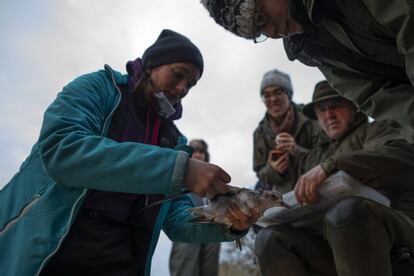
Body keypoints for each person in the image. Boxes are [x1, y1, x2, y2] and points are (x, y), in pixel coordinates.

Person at [0, 29, 260, 276]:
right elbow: (62, 150)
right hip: (52, 238)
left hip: (118, 252)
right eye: (178, 74)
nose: (182, 89)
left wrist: (226, 222)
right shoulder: (98, 87)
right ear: (151, 65)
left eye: (190, 85)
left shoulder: (174, 141)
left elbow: (176, 220)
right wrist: (175, 169)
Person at [253, 80, 414, 276]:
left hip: (398, 239)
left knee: (347, 212)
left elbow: (401, 157)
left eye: (335, 106)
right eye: (321, 110)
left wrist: (334, 165)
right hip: (334, 247)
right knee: (270, 238)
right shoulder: (314, 156)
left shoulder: (377, 130)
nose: (328, 115)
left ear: (354, 106)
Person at [201, 0, 414, 142]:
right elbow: (375, 96)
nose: (271, 32)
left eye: (260, 17)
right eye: (259, 32)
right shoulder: (313, 50)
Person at [253, 69, 324, 193]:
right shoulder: (259, 133)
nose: (273, 99)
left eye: (278, 92)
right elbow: (260, 172)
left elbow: (328, 158)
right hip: (285, 199)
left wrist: (296, 151)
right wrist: (273, 170)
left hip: (317, 190)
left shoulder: (311, 118)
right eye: (266, 95)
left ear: (288, 94)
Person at [169, 139, 221, 276]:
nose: (197, 155)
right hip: (186, 231)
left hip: (212, 232)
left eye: (201, 151)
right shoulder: (177, 178)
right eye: (194, 151)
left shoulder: (214, 182)